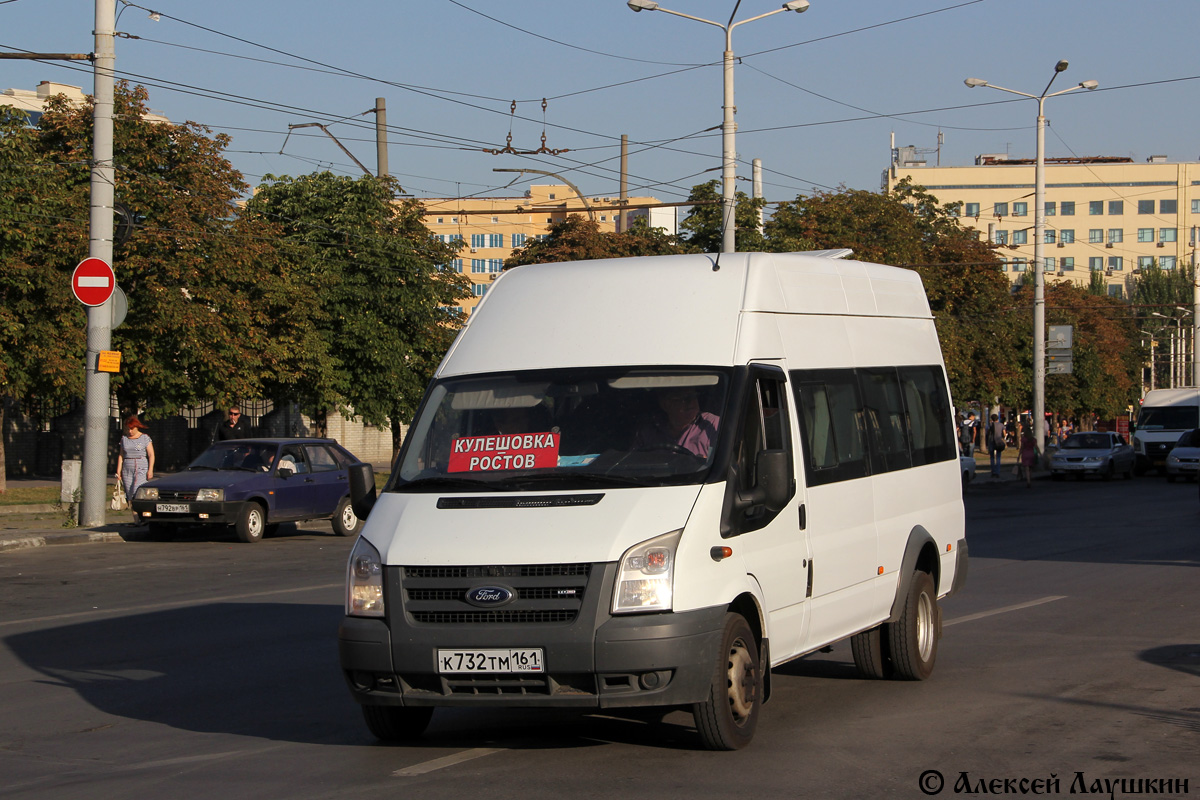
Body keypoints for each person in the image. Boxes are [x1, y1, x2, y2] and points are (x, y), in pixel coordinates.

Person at [634, 387, 720, 458]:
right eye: (683, 398)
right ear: (665, 404)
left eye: (693, 396)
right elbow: (632, 463)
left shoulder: (713, 425)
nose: (691, 402)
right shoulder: (648, 432)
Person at [115, 415, 155, 525]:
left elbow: (151, 454)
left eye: (132, 428)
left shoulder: (145, 438)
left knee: (137, 491)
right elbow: (121, 455)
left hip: (141, 466)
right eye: (128, 429)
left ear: (137, 427)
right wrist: (118, 471)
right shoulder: (124, 439)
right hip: (127, 467)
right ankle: (136, 520)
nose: (130, 431)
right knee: (130, 494)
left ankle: (144, 516)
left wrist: (150, 470)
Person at [985, 413, 1005, 478]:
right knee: (998, 457)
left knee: (992, 457)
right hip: (999, 441)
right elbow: (1004, 434)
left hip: (992, 441)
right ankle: (998, 472)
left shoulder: (990, 425)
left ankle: (993, 471)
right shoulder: (1001, 425)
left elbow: (987, 432)